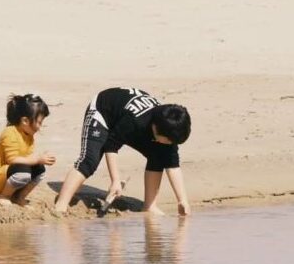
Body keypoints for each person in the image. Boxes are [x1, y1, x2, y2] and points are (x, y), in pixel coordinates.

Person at [53, 87, 191, 216]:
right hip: (103, 112)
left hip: (130, 121)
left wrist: (182, 200)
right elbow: (111, 145)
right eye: (169, 140)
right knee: (90, 161)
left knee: (160, 154)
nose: (171, 144)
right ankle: (61, 204)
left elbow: (173, 165)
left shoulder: (168, 126)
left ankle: (150, 206)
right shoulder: (136, 121)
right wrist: (115, 180)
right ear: (156, 128)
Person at [0, 94, 57, 206]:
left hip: (9, 177)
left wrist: (39, 159)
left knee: (39, 169)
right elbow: (12, 159)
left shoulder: (29, 136)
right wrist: (36, 159)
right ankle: (3, 195)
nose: (40, 127)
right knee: (23, 172)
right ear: (25, 121)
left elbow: (26, 160)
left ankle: (19, 197)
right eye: (39, 122)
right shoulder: (10, 132)